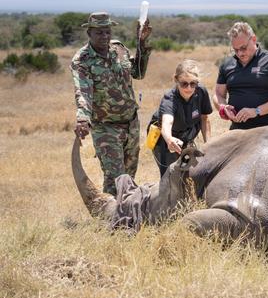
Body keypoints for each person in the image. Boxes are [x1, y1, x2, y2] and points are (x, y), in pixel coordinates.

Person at [71, 12, 151, 196]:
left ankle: (128, 214)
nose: (105, 36)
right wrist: (82, 119)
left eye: (107, 32)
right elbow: (83, 92)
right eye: (99, 33)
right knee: (115, 177)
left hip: (131, 122)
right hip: (105, 127)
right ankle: (111, 219)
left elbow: (138, 73)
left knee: (129, 177)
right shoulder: (82, 61)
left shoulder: (119, 49)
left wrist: (142, 44)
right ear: (89, 33)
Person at [214, 22, 268, 130]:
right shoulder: (227, 65)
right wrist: (223, 107)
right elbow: (218, 94)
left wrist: (256, 111)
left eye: (243, 48)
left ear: (254, 39)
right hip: (238, 130)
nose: (240, 53)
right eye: (235, 50)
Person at [150, 60, 212, 177]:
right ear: (176, 80)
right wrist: (169, 140)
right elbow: (167, 123)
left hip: (186, 135)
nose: (189, 88)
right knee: (170, 176)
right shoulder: (170, 99)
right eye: (184, 83)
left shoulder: (201, 92)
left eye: (193, 83)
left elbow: (204, 118)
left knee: (189, 172)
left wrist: (208, 145)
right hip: (164, 140)